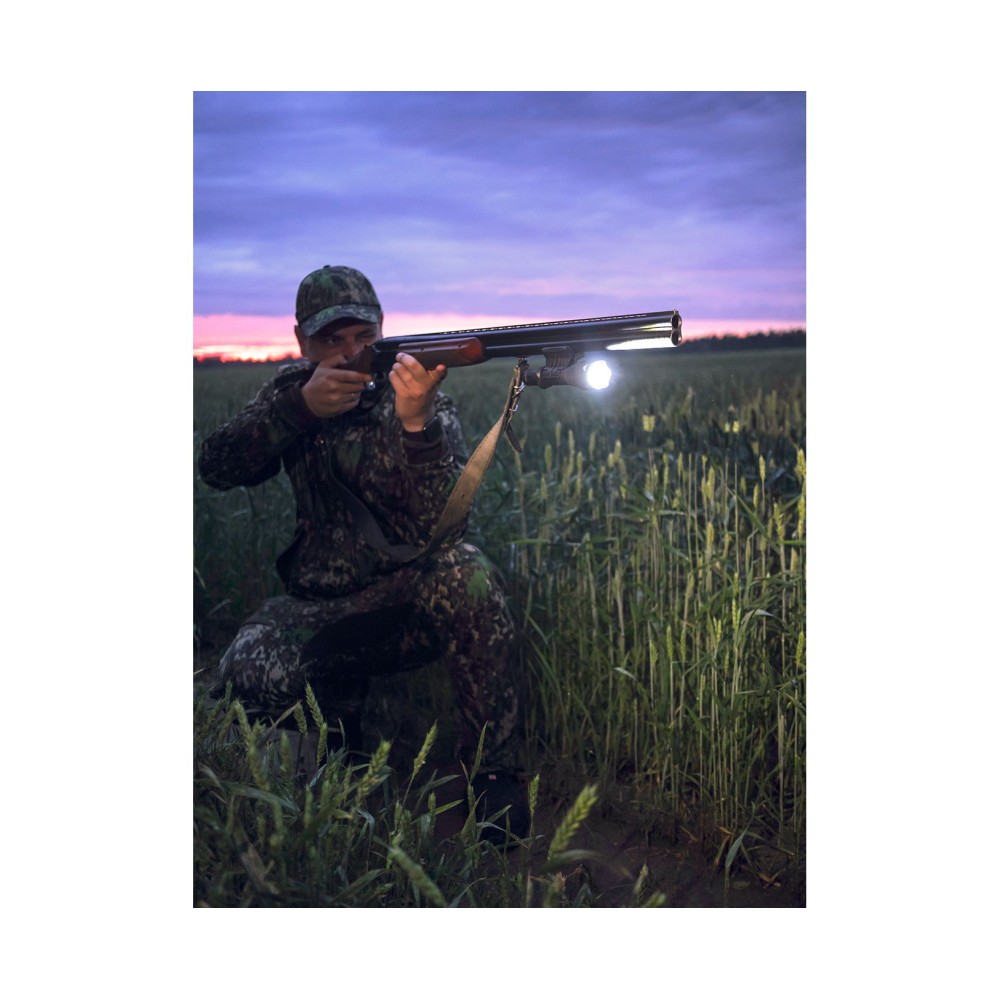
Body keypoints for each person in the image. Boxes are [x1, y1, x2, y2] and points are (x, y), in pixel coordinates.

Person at [198, 266, 525, 833]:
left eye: (363, 336)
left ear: (382, 329)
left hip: (405, 600)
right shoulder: (289, 393)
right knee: (244, 669)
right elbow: (217, 467)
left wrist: (416, 424)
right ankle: (334, 736)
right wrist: (299, 409)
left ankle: (494, 775)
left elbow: (444, 526)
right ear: (302, 342)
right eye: (332, 339)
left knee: (469, 574)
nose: (350, 352)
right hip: (317, 606)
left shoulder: (418, 397)